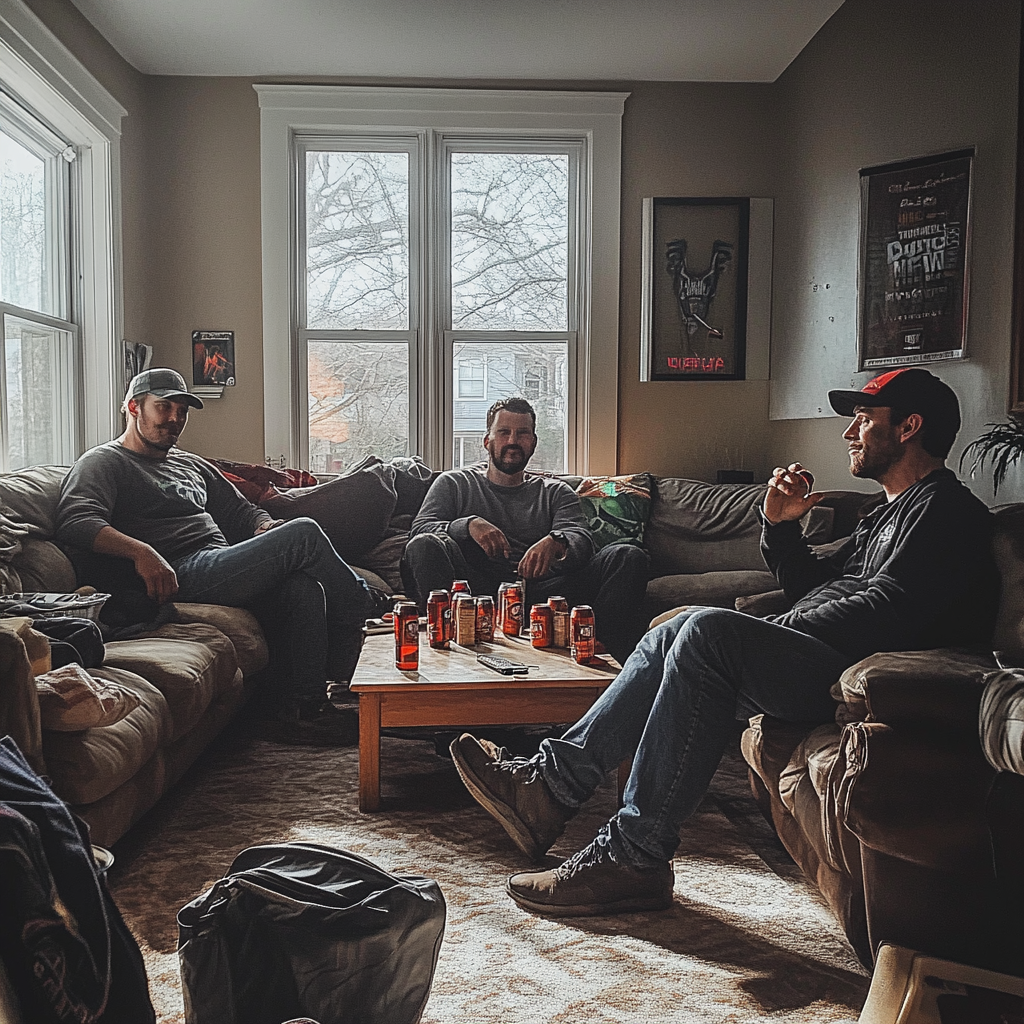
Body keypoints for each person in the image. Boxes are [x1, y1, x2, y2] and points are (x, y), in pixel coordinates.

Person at [448, 368, 1000, 916]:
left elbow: (889, 608)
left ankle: (633, 854)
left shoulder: (945, 513)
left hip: (869, 682)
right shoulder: (887, 512)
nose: (849, 433)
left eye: (863, 419)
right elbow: (815, 585)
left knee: (707, 630)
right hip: (830, 660)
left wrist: (775, 632)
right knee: (674, 626)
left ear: (909, 428)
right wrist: (779, 525)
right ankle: (547, 789)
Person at [55, 368, 374, 746]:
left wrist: (263, 528)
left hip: (217, 561)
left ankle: (303, 708)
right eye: (164, 407)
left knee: (301, 586)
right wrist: (141, 552)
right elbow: (75, 521)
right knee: (303, 532)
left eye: (182, 411)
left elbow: (242, 512)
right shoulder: (104, 462)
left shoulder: (191, 464)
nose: (174, 419)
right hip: (177, 571)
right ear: (133, 408)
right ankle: (366, 607)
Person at [401, 396, 650, 663]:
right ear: (487, 441)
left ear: (533, 443)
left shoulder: (556, 491)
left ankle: (609, 660)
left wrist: (557, 541)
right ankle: (446, 647)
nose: (512, 441)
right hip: (473, 592)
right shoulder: (454, 483)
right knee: (424, 544)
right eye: (504, 432)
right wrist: (468, 525)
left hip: (545, 595)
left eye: (522, 433)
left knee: (629, 556)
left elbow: (582, 540)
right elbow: (420, 531)